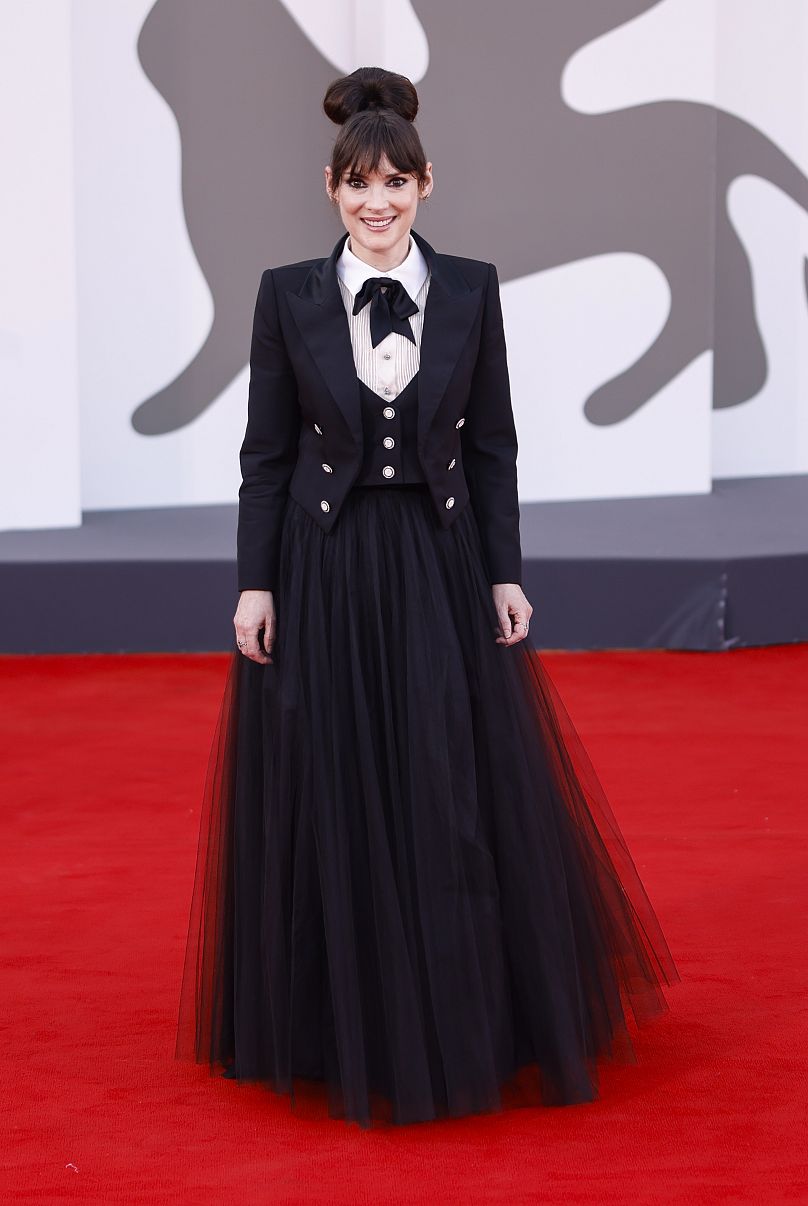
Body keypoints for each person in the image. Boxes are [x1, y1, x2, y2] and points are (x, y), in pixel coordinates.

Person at [175, 66, 678, 1129]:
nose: (378, 201)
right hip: (327, 567)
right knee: (339, 780)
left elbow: (492, 444)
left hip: (441, 564)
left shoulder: (473, 288)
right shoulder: (287, 296)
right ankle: (337, 1025)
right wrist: (253, 585)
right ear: (330, 188)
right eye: (360, 184)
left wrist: (506, 571)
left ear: (426, 184)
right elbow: (263, 457)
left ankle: (468, 1016)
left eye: (396, 181)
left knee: (450, 782)